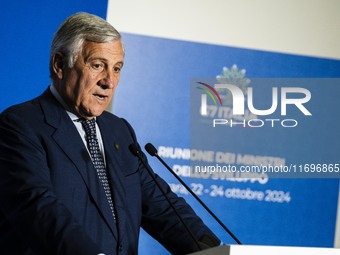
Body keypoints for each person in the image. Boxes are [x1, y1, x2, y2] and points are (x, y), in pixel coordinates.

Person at [0, 12, 220, 255]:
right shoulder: (20, 125)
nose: (110, 81)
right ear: (60, 64)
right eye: (97, 65)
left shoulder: (119, 131)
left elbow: (162, 206)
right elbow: (38, 207)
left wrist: (212, 249)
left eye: (117, 69)